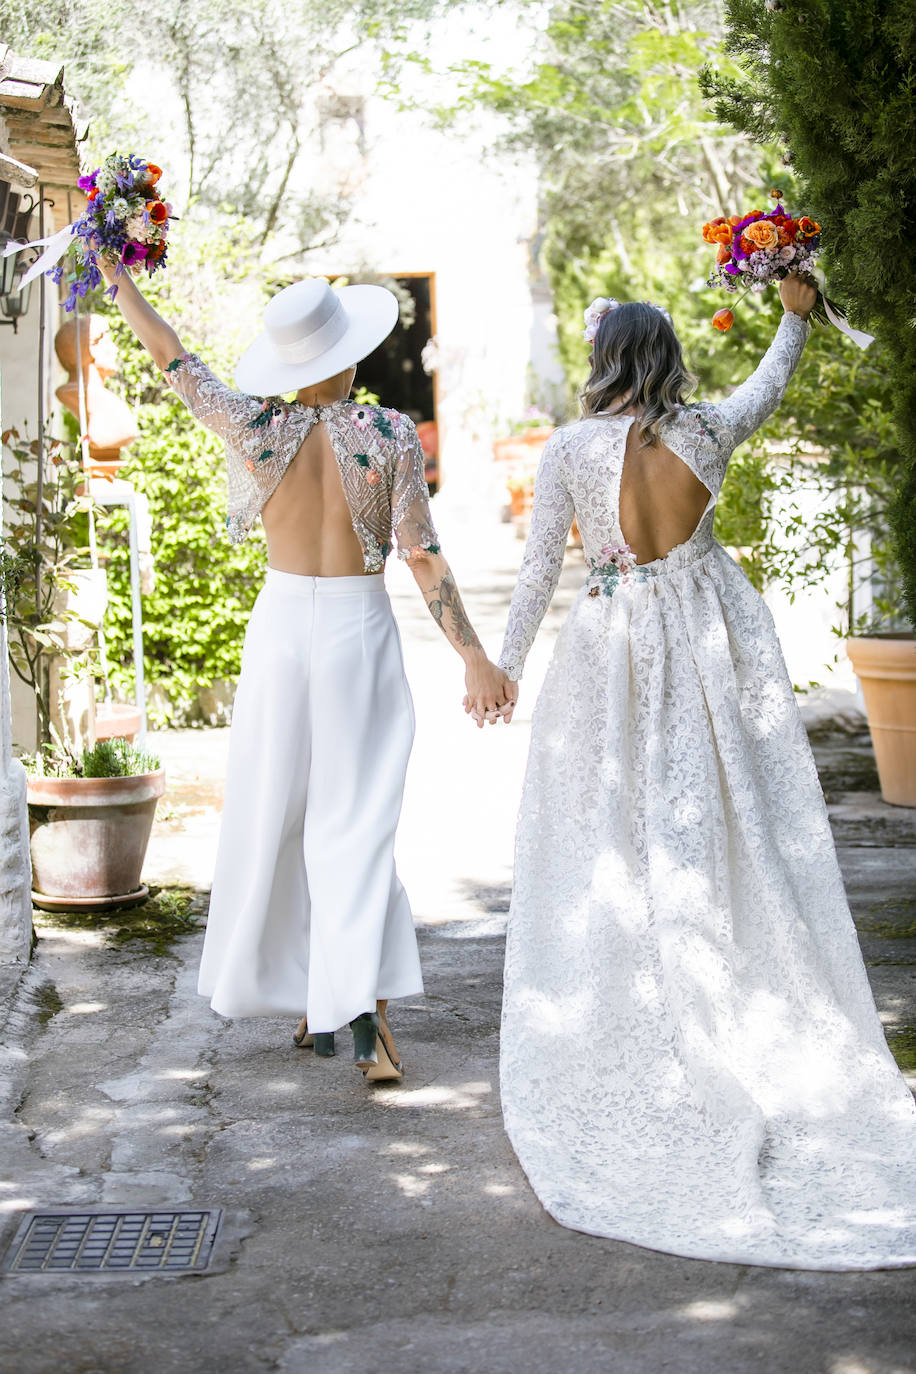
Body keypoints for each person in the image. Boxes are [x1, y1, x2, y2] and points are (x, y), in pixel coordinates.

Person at [494, 276, 916, 1268]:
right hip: (701, 648)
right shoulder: (709, 433)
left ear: (604, 364)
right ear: (668, 357)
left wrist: (501, 669)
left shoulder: (567, 450)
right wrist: (795, 312)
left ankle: (641, 991)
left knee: (616, 827)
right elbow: (770, 381)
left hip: (608, 652)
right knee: (711, 819)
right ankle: (717, 975)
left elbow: (535, 575)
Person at [104, 266, 514, 1081]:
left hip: (282, 632)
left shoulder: (252, 425)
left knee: (279, 815)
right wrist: (474, 655)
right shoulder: (390, 434)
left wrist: (119, 277)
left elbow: (171, 356)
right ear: (350, 357)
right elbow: (422, 556)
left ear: (288, 366)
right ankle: (361, 1018)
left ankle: (322, 999)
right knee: (354, 824)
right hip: (359, 631)